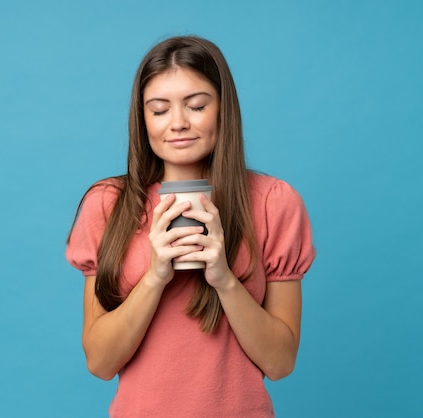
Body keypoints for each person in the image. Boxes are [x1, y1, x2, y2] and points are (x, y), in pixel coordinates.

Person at [66, 35, 316, 417]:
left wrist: (224, 278)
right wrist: (154, 276)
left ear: (222, 110)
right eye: (159, 109)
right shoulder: (109, 204)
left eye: (196, 106)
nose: (178, 123)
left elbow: (281, 363)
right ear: (142, 119)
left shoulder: (273, 203)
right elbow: (100, 363)